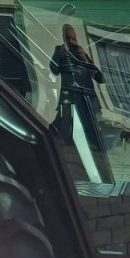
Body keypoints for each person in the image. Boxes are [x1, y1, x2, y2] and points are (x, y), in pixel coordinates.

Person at [50, 24, 111, 179]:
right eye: (68, 38)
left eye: (73, 38)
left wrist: (84, 58)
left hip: (87, 99)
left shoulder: (82, 52)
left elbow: (99, 77)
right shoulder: (60, 50)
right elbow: (54, 70)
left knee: (91, 135)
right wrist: (60, 54)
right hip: (69, 98)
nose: (72, 41)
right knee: (62, 134)